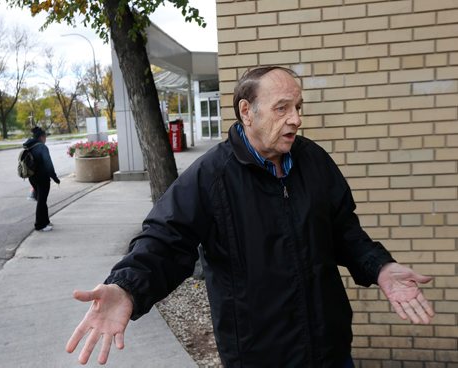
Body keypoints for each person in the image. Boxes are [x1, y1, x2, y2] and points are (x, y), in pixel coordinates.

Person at [66, 66, 434, 367]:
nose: (296, 119)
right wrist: (127, 286)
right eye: (282, 108)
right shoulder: (211, 176)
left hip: (330, 353)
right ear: (247, 112)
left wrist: (381, 267)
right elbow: (165, 241)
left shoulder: (314, 162)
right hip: (260, 358)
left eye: (299, 107)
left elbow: (345, 233)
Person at [23, 127, 60, 232]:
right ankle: (39, 225)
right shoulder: (42, 147)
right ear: (42, 137)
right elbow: (48, 165)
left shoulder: (29, 146)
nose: (46, 139)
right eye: (45, 137)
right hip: (42, 178)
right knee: (42, 201)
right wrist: (55, 178)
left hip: (32, 177)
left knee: (42, 200)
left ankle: (46, 221)